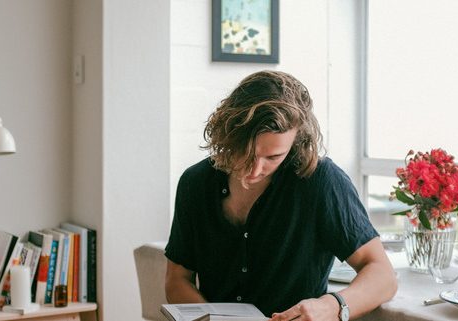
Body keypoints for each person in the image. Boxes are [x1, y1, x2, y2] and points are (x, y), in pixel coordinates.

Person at [164, 70, 397, 320]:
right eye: (246, 152)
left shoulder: (321, 182)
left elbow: (383, 276)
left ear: (296, 142)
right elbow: (177, 280)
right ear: (228, 134)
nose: (255, 170)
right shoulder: (195, 183)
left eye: (273, 157)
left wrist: (332, 306)